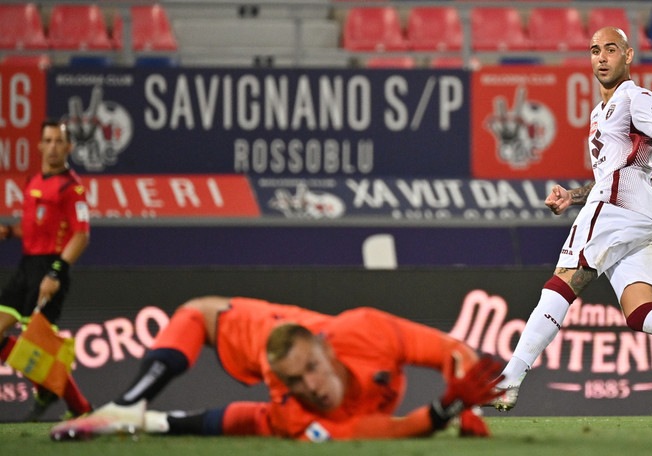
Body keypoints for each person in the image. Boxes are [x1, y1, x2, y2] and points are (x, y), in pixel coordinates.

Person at [488, 27, 652, 415]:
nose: (601, 57)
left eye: (610, 49)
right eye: (594, 50)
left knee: (564, 280)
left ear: (628, 55)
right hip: (639, 215)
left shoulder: (635, 97)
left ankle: (509, 380)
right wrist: (573, 196)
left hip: (619, 208)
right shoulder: (599, 113)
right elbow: (611, 173)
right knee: (640, 312)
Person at [51, 296, 503, 441]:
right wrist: (442, 412)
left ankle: (137, 416)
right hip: (260, 343)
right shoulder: (295, 402)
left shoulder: (366, 332)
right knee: (194, 314)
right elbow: (376, 430)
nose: (312, 386)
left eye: (312, 369)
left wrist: (470, 409)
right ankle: (126, 405)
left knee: (262, 422)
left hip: (291, 328)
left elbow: (453, 350)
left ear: (326, 351)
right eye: (295, 381)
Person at [0, 119, 92, 420]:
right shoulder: (33, 181)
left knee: (39, 348)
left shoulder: (72, 187)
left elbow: (81, 235)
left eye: (59, 141)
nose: (53, 147)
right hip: (26, 266)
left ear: (69, 147)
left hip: (50, 267)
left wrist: (56, 273)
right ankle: (46, 390)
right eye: (48, 141)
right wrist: (10, 232)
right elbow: (34, 227)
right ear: (39, 145)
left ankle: (80, 408)